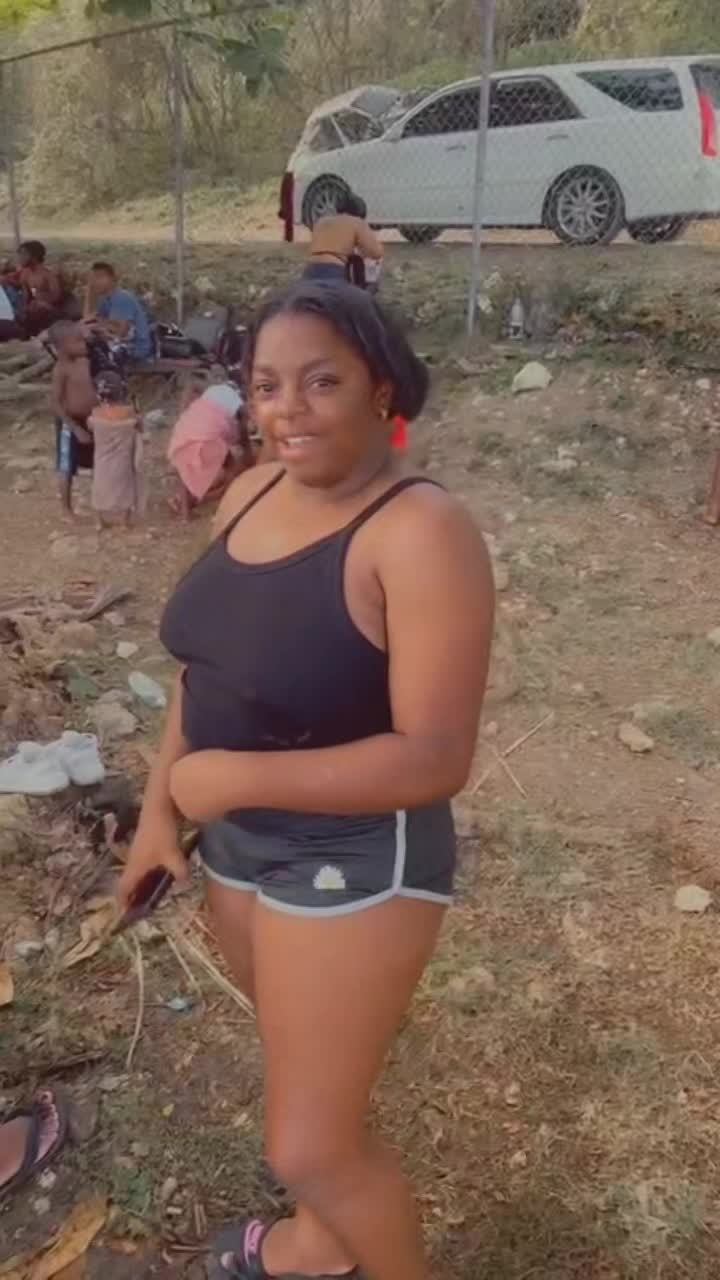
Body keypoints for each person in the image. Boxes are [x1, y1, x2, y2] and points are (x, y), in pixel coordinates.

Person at [118, 281, 494, 1280]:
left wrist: (232, 776)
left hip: (357, 855)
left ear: (383, 389)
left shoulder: (419, 530)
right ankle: (321, 1248)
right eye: (267, 385)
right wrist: (158, 813)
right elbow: (204, 671)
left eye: (322, 381)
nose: (287, 409)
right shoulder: (249, 493)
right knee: (305, 1074)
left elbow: (435, 755)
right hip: (238, 844)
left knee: (308, 1147)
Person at [167, 375, 254, 519]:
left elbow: (192, 385)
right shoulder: (237, 403)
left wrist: (183, 408)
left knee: (186, 474)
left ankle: (184, 511)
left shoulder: (212, 392)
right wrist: (253, 468)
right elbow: (245, 441)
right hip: (207, 439)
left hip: (181, 437)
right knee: (231, 475)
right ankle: (198, 502)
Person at [50, 320, 97, 517]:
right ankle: (66, 508)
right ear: (62, 347)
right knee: (66, 466)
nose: (83, 344)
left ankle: (101, 503)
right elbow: (55, 403)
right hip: (70, 423)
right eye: (77, 341)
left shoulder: (87, 362)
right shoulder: (61, 369)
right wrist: (75, 428)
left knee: (98, 461)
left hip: (92, 420)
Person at [88, 371, 144, 528]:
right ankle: (124, 521)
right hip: (122, 460)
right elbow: (140, 427)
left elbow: (90, 426)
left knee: (99, 486)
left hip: (102, 461)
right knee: (125, 487)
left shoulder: (96, 413)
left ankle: (99, 521)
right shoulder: (129, 412)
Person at [305, 191, 384, 284]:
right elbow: (376, 253)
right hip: (332, 271)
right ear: (359, 213)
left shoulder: (321, 222)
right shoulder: (356, 222)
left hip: (309, 271)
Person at [83, 263, 153, 363]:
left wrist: (97, 323)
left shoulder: (121, 297)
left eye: (99, 277)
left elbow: (120, 331)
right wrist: (89, 292)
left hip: (135, 348)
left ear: (112, 279)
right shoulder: (106, 301)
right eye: (93, 279)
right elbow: (87, 321)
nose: (95, 282)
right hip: (119, 345)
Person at [1, 241, 63, 337]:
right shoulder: (25, 273)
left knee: (37, 308)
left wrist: (41, 301)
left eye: (23, 254)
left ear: (34, 256)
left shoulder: (47, 275)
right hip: (28, 308)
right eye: (19, 254)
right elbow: (25, 294)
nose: (20, 258)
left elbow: (56, 296)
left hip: (46, 309)